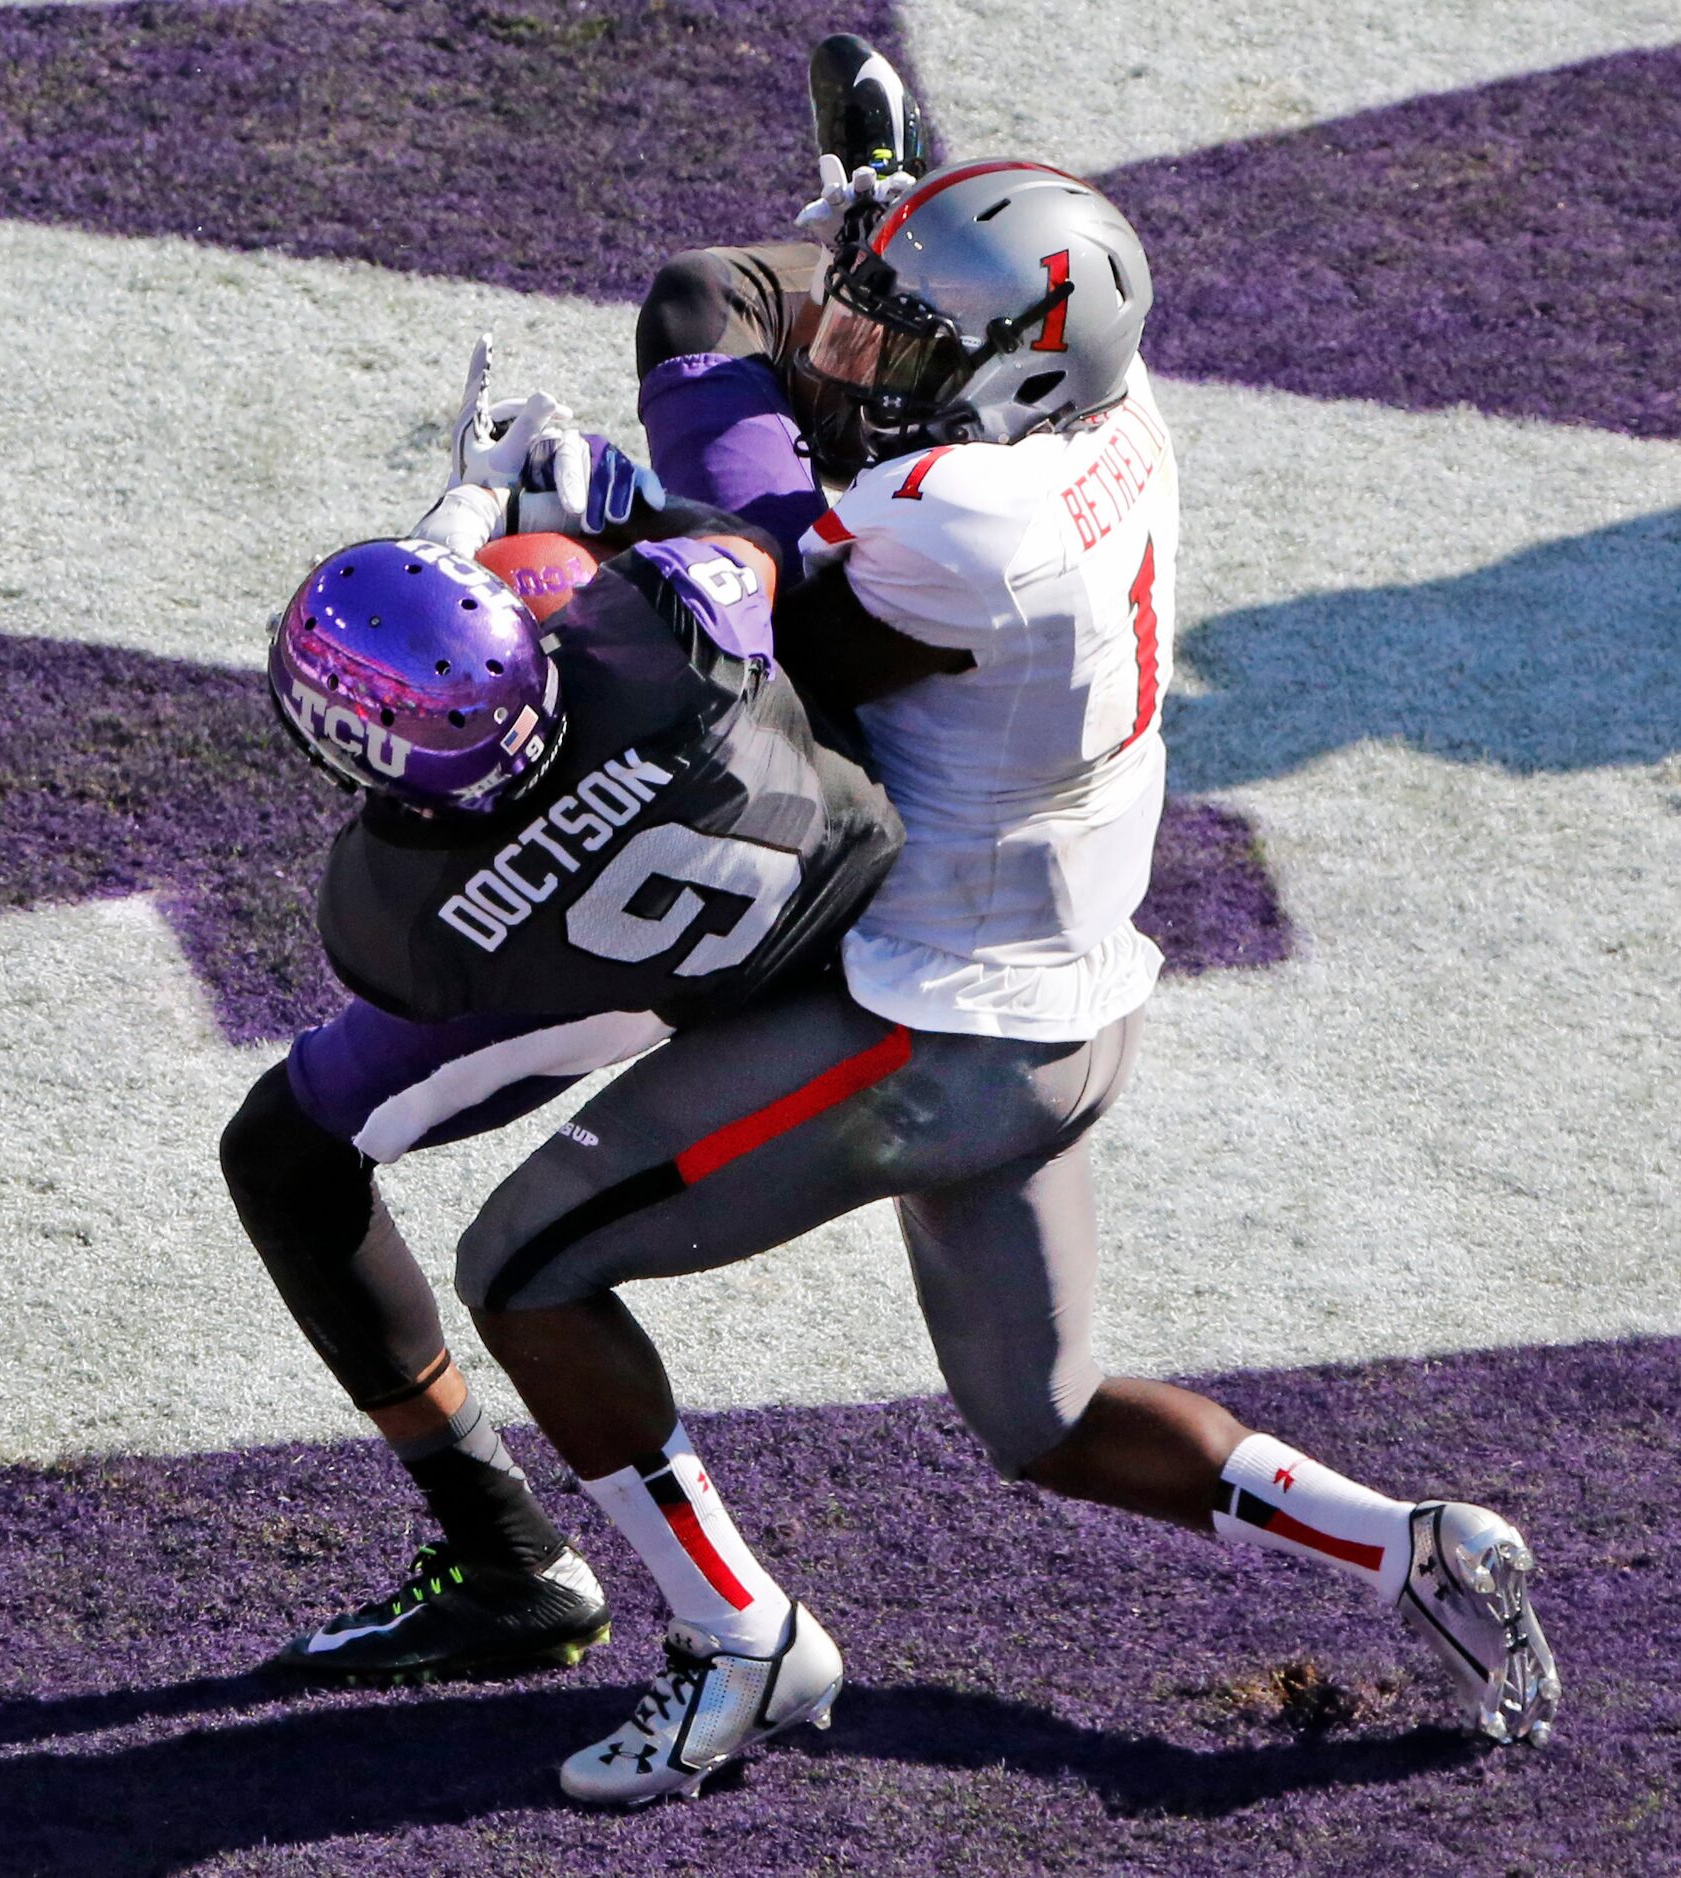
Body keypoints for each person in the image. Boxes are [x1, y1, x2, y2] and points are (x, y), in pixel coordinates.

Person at [422, 48, 1556, 1804]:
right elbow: (864, 406)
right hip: (1068, 1002)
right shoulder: (1106, 418)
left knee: (523, 1271)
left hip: (928, 1024)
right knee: (1041, 1418)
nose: (856, 361)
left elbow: (750, 603)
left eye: (900, 345)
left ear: (1011, 379)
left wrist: (613, 496)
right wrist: (877, 231)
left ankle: (739, 1641)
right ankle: (1406, 1541)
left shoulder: (962, 525)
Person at [219, 361, 902, 1685]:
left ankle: (503, 1552)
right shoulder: (665, 628)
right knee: (640, 548)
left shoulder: (388, 912)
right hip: (845, 877)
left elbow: (456, 853)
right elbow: (733, 559)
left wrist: (462, 521)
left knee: (283, 1151)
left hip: (623, 978)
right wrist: (555, 514)